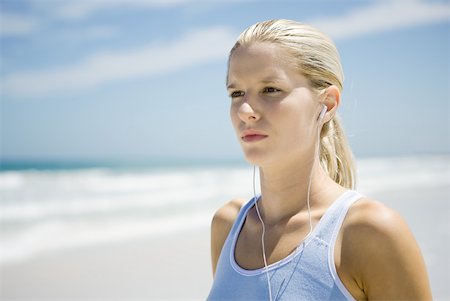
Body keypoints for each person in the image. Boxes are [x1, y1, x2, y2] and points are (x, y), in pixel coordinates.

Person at [207, 19, 432, 300]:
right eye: (236, 93)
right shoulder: (229, 226)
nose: (245, 110)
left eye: (270, 89)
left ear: (327, 104)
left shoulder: (368, 232)